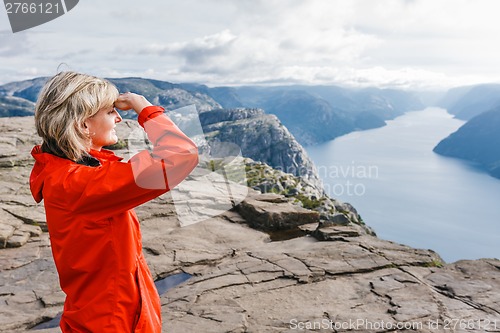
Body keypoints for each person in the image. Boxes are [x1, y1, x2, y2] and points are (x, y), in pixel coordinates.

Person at [29, 71, 199, 332]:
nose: (119, 117)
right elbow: (181, 156)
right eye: (110, 112)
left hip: (102, 314)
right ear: (84, 125)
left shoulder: (63, 171)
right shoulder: (80, 184)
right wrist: (145, 109)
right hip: (114, 321)